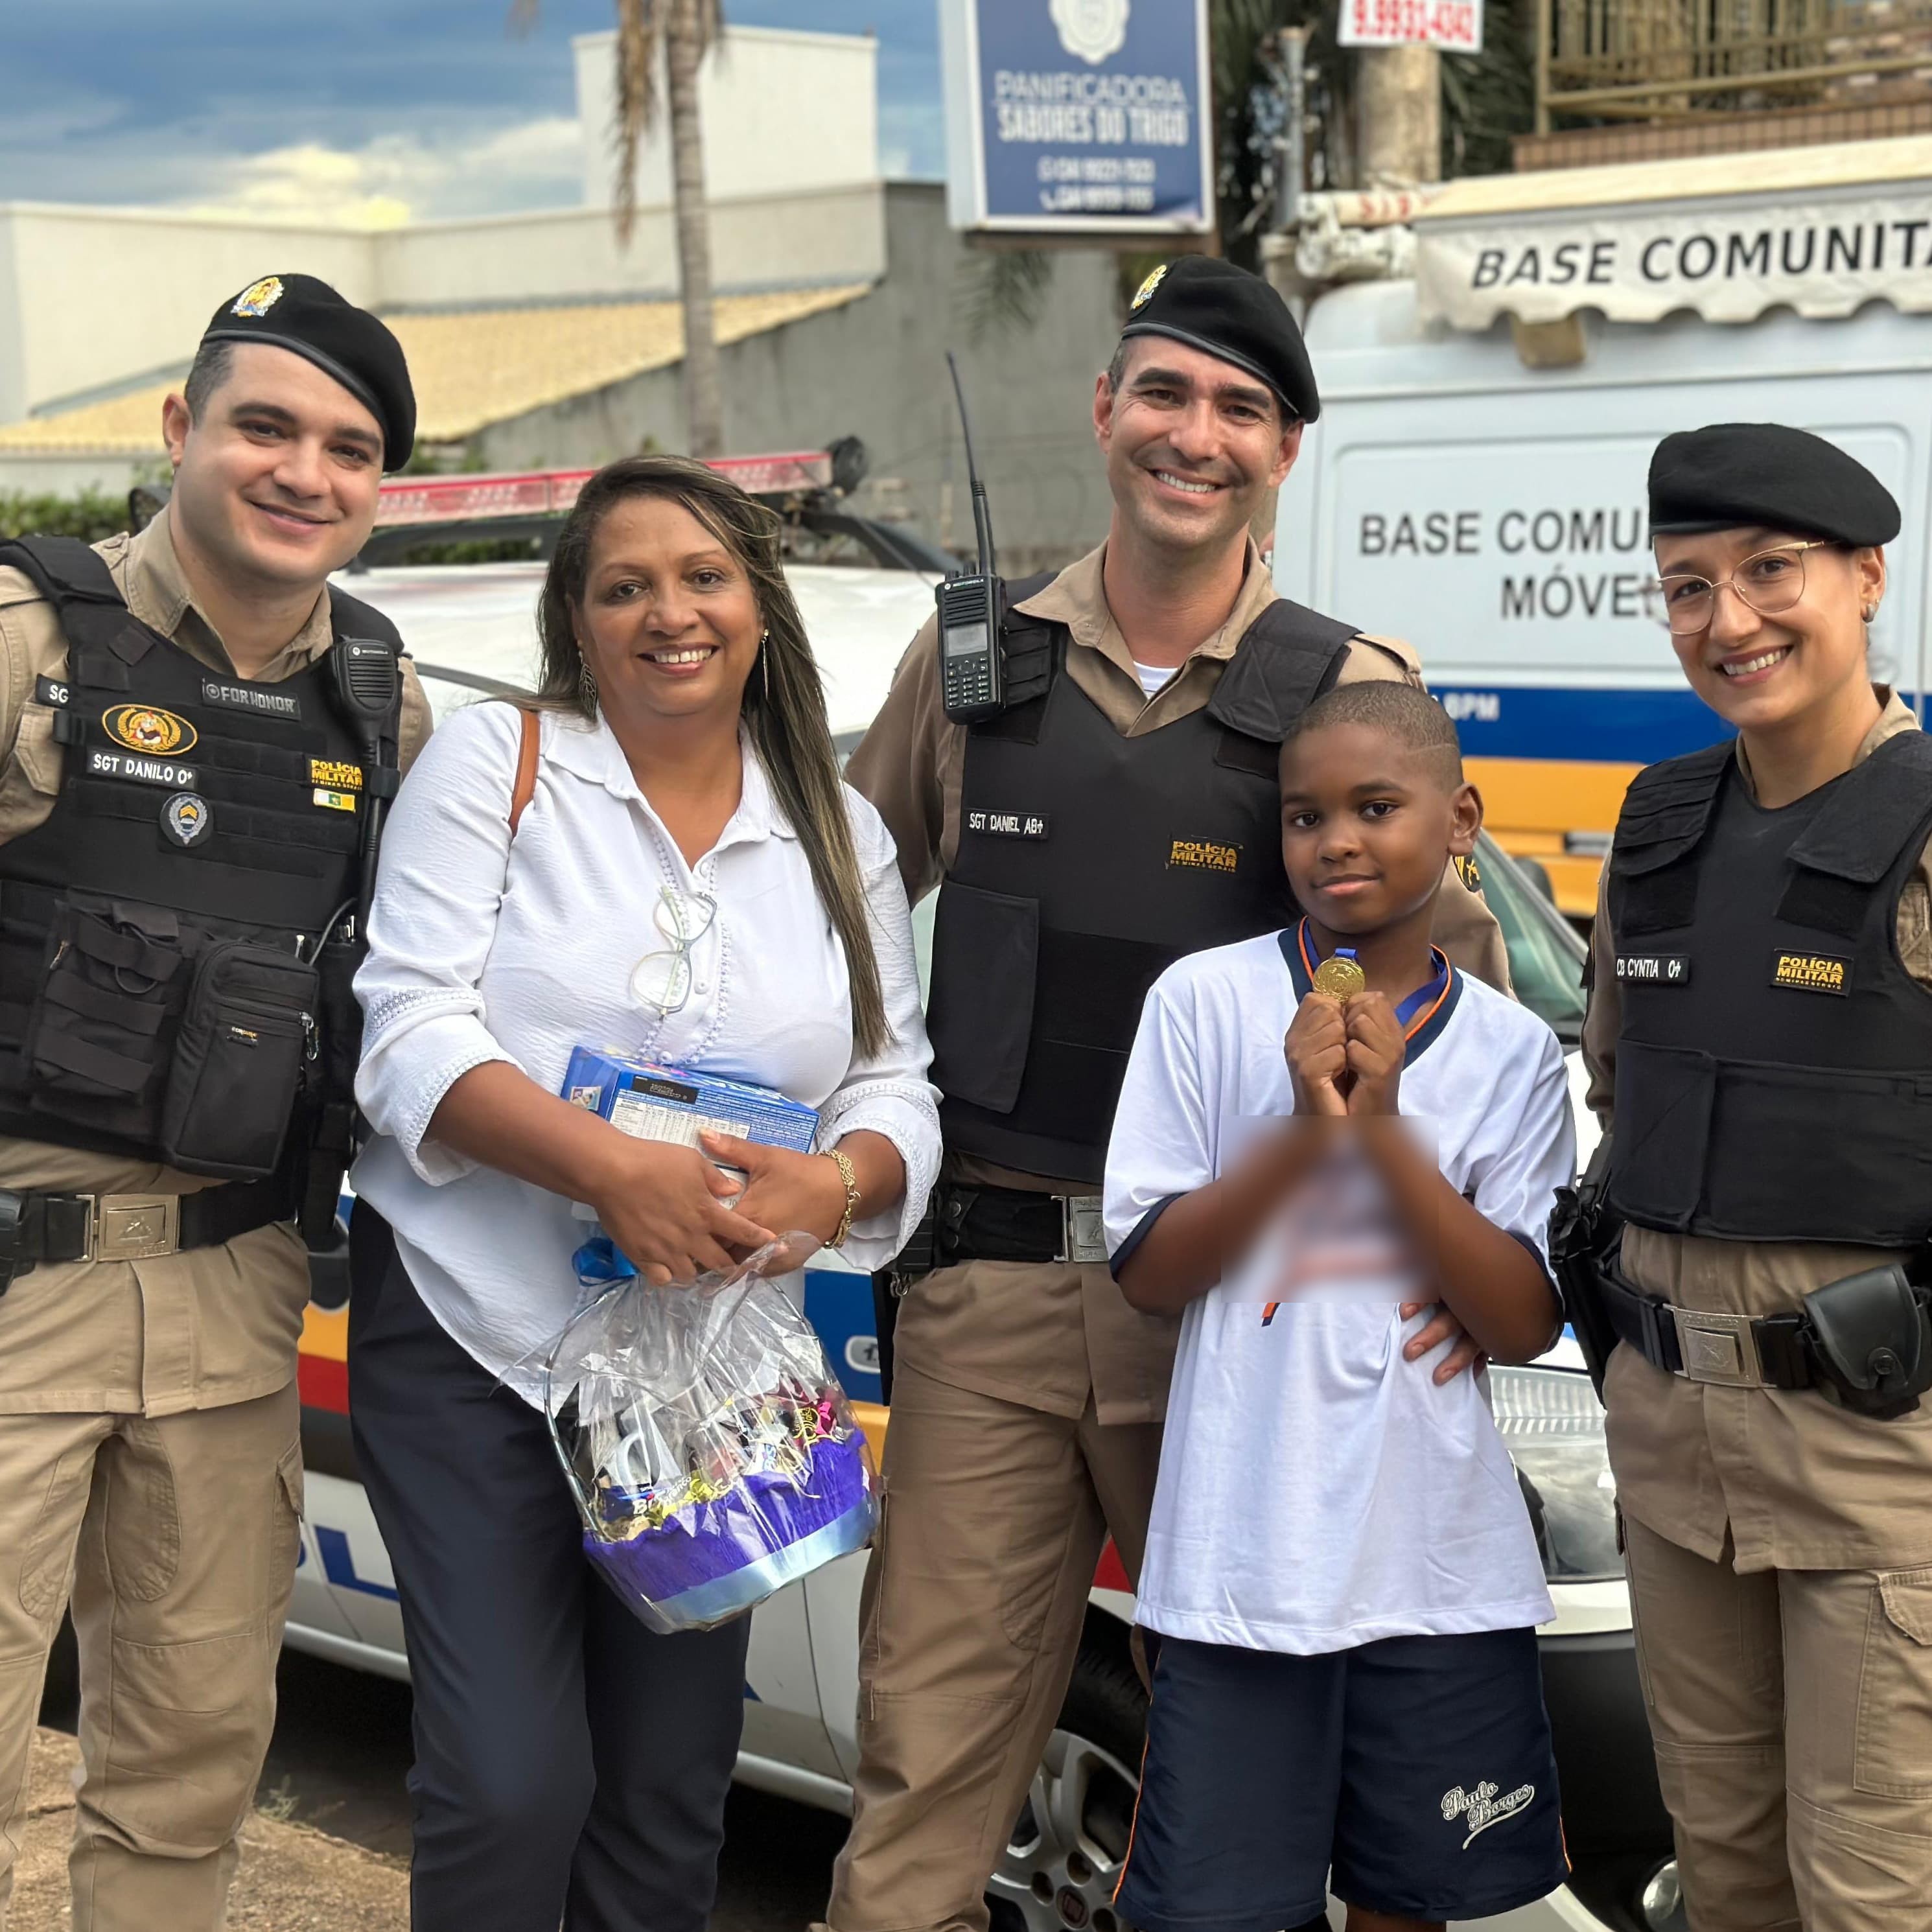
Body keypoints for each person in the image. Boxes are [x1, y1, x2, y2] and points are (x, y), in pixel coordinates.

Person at [826, 253, 1513, 1932]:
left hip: (1245, 1317)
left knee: (1276, 1779)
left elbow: (1459, 998)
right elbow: (826, 919)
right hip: (986, 1292)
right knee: (923, 1773)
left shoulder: (1344, 679)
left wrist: (1460, 1246)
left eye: (1235, 406)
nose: (1190, 435)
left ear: (1282, 448)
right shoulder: (970, 657)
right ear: (1102, 409)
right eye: (1161, 392)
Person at [347, 454, 940, 1932]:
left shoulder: (839, 829)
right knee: (507, 1782)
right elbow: (407, 1025)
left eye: (703, 578)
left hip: (707, 1374)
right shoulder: (502, 766)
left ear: (757, 605)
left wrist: (838, 1183)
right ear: (580, 619)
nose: (668, 613)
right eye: (625, 586)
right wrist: (612, 1169)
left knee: (669, 1792)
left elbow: (889, 1081)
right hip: (475, 1341)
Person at [0, 272, 428, 1931]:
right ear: (181, 429)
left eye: (348, 448)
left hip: (236, 1301)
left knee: (187, 1772)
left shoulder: (388, 706)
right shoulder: (31, 641)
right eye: (265, 425)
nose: (303, 473)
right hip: (17, 1283)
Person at [1106, 681, 1574, 1932]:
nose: (1337, 841)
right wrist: (1299, 1139)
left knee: (1411, 1897)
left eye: (1377, 805)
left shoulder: (1513, 1053)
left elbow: (1523, 1316)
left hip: (1434, 1563)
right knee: (1214, 1910)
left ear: (1460, 816)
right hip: (1242, 1559)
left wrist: (1378, 1137)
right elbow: (1150, 1268)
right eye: (1305, 816)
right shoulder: (1203, 1001)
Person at [1579, 423, 1932, 1930]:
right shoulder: (1655, 830)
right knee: (1722, 1879)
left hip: (1879, 1459)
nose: (1729, 622)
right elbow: (1616, 1093)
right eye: (1687, 586)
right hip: (1674, 1457)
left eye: (1770, 574)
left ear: (1864, 578)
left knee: (1868, 1893)